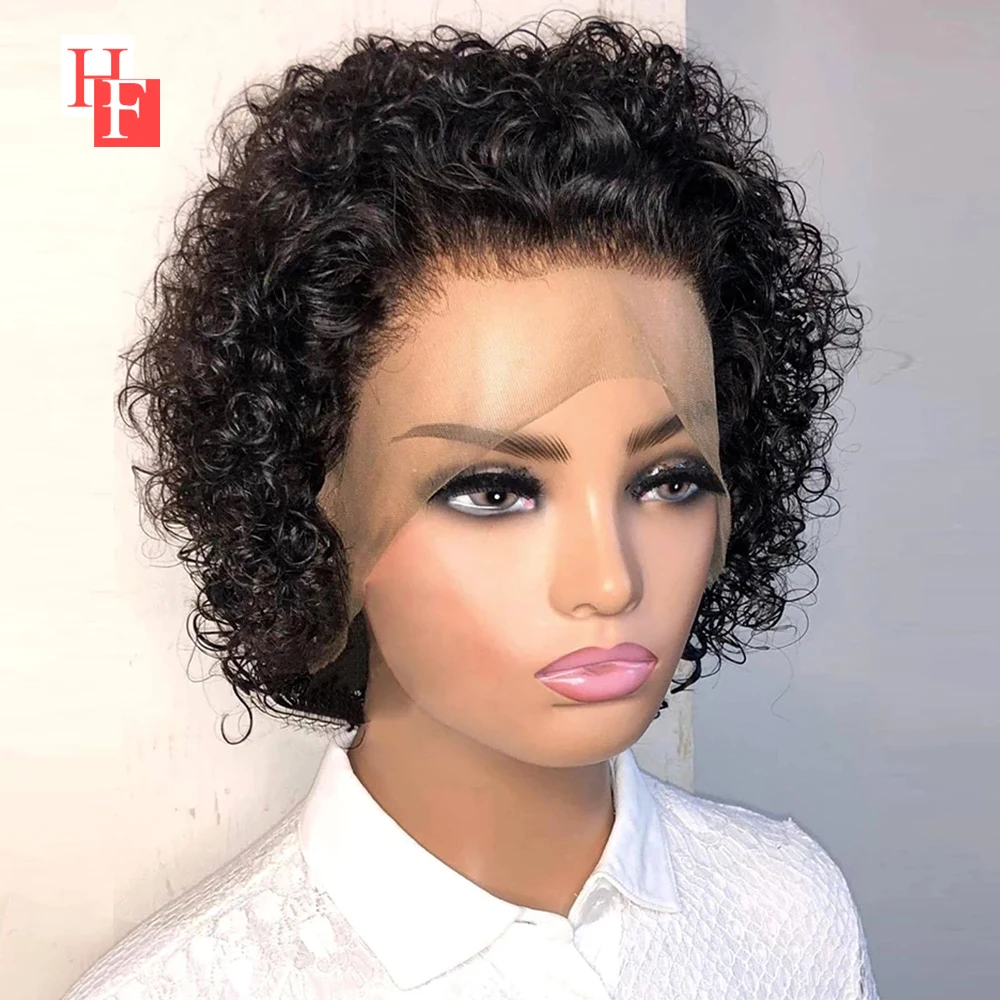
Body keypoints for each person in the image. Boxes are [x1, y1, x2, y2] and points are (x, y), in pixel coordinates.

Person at [64, 14, 878, 999]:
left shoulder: (786, 914)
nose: (609, 579)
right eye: (494, 491)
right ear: (312, 513)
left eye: (667, 482)